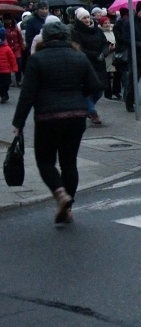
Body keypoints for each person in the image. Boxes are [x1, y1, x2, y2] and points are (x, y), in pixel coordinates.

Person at [12, 20, 101, 224]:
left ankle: (60, 194)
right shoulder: (79, 57)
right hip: (76, 116)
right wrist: (78, 96)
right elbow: (95, 86)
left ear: (45, 38)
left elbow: (27, 95)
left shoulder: (37, 59)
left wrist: (19, 123)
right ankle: (67, 207)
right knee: (69, 163)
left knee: (45, 162)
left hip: (47, 118)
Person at [71, 8, 108, 124]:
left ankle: (85, 108)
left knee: (99, 89)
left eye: (87, 17)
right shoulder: (76, 33)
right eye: (84, 18)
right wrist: (95, 55)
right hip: (87, 64)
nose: (87, 20)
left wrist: (103, 53)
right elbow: (79, 48)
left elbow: (105, 43)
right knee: (87, 90)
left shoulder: (98, 30)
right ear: (79, 20)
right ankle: (92, 112)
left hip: (100, 64)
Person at [99, 16, 121, 99]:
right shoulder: (100, 33)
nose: (107, 24)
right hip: (107, 56)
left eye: (108, 22)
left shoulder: (113, 31)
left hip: (115, 55)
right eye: (105, 23)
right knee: (107, 76)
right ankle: (108, 93)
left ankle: (116, 91)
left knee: (117, 74)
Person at [3, 15, 23, 86]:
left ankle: (18, 79)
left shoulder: (15, 28)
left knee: (18, 63)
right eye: (6, 20)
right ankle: (9, 80)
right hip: (8, 49)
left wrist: (21, 46)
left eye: (9, 20)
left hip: (16, 49)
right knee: (7, 65)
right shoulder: (3, 29)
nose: (8, 21)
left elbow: (19, 38)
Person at [0, 27, 19, 103]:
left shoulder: (7, 49)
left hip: (6, 71)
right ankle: (3, 95)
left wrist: (14, 68)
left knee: (6, 83)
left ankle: (5, 93)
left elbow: (12, 59)